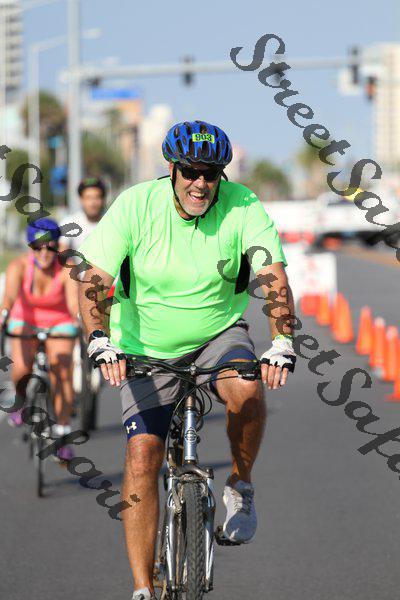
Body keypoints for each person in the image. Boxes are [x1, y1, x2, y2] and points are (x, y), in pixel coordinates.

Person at [77, 120, 297, 600]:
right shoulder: (135, 205)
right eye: (191, 172)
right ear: (173, 170)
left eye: (211, 174)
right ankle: (142, 587)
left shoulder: (243, 205)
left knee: (247, 388)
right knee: (142, 454)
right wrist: (99, 339)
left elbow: (273, 278)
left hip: (218, 333)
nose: (201, 183)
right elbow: (94, 280)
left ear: (222, 176)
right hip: (146, 345)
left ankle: (241, 485)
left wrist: (282, 341)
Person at [0, 218, 79, 462]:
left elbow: (73, 304)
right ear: (30, 247)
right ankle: (21, 400)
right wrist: (4, 317)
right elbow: (9, 298)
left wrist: (80, 322)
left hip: (59, 320)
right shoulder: (19, 266)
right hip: (25, 318)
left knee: (62, 372)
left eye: (50, 247)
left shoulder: (67, 267)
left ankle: (62, 433)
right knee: (21, 369)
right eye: (37, 247)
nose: (44, 253)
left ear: (58, 246)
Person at [59, 177, 107, 251]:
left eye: (97, 197)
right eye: (88, 198)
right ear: (81, 200)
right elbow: (62, 251)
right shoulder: (69, 223)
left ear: (103, 199)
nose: (92, 203)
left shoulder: (112, 223)